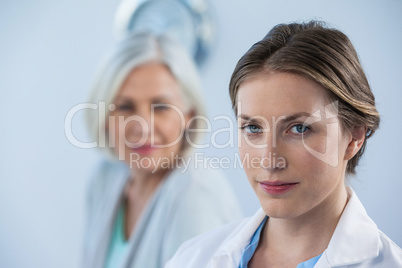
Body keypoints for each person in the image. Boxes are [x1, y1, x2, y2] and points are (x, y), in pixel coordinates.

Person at [166, 21, 402, 267]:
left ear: (354, 136)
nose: (269, 159)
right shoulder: (192, 258)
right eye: (253, 128)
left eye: (299, 128)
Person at [81, 32, 242, 268]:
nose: (142, 126)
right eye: (125, 107)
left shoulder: (195, 195)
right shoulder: (104, 179)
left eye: (161, 107)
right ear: (104, 117)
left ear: (189, 116)